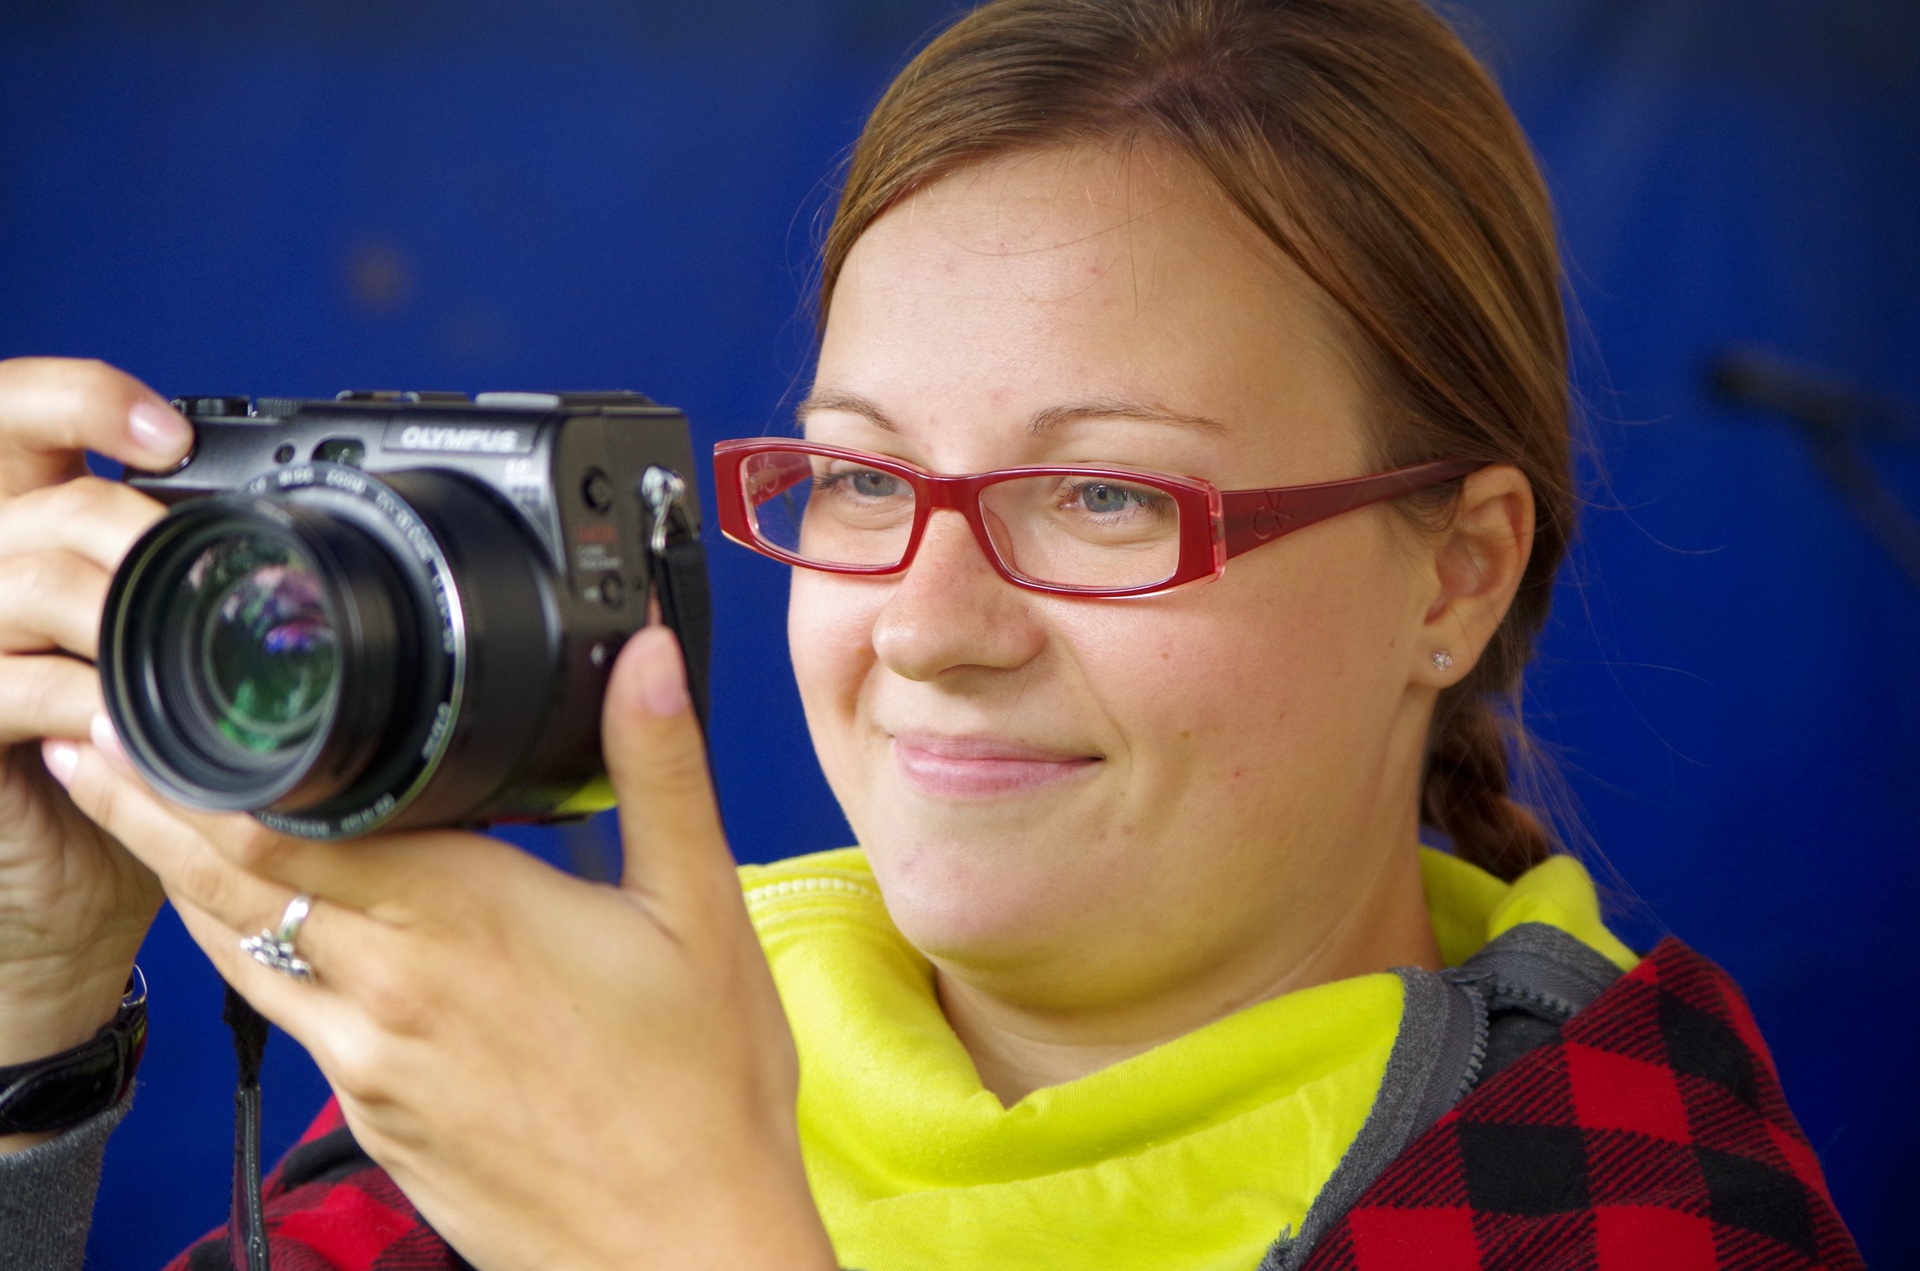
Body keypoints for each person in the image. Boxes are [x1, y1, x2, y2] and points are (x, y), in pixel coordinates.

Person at [0, 0, 1863, 1267]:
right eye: (860, 479)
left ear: (1454, 577)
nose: (930, 629)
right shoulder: (557, 1064)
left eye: (1106, 495)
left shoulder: (1624, 1201)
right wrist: (32, 1034)